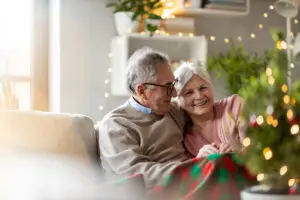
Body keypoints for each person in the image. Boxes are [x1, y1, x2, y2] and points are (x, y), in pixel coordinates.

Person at [98, 46, 191, 189]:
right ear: (142, 91)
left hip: (189, 182)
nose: (174, 94)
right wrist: (193, 170)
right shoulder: (116, 124)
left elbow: (210, 116)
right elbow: (138, 175)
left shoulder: (173, 110)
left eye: (173, 84)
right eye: (167, 86)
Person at [174, 62, 245, 158]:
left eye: (203, 88)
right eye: (189, 93)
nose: (199, 96)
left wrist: (238, 151)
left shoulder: (234, 106)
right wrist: (200, 161)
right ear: (178, 99)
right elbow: (189, 171)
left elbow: (259, 148)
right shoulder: (186, 140)